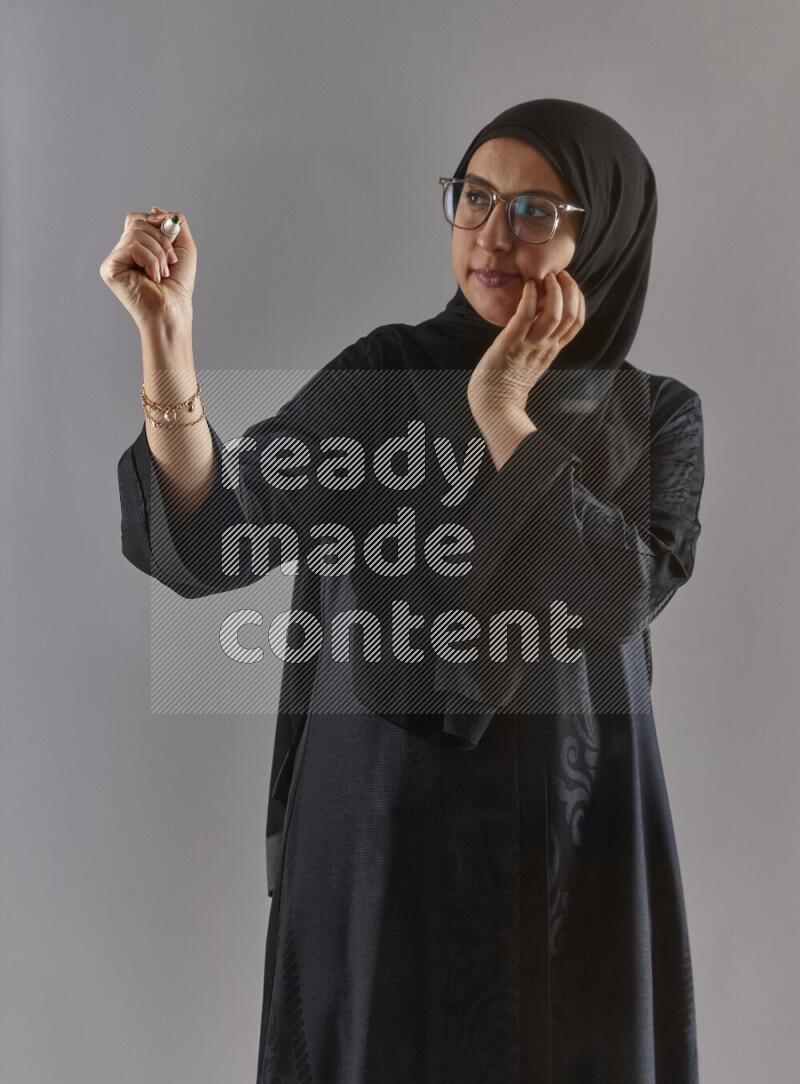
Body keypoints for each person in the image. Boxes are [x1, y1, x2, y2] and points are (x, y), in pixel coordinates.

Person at [103, 99, 704, 1083]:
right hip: (379, 839)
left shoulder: (654, 419)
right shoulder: (382, 379)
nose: (489, 235)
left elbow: (616, 593)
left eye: (534, 209)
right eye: (473, 197)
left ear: (604, 231)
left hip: (568, 848)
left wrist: (501, 411)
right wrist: (167, 345)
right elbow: (215, 534)